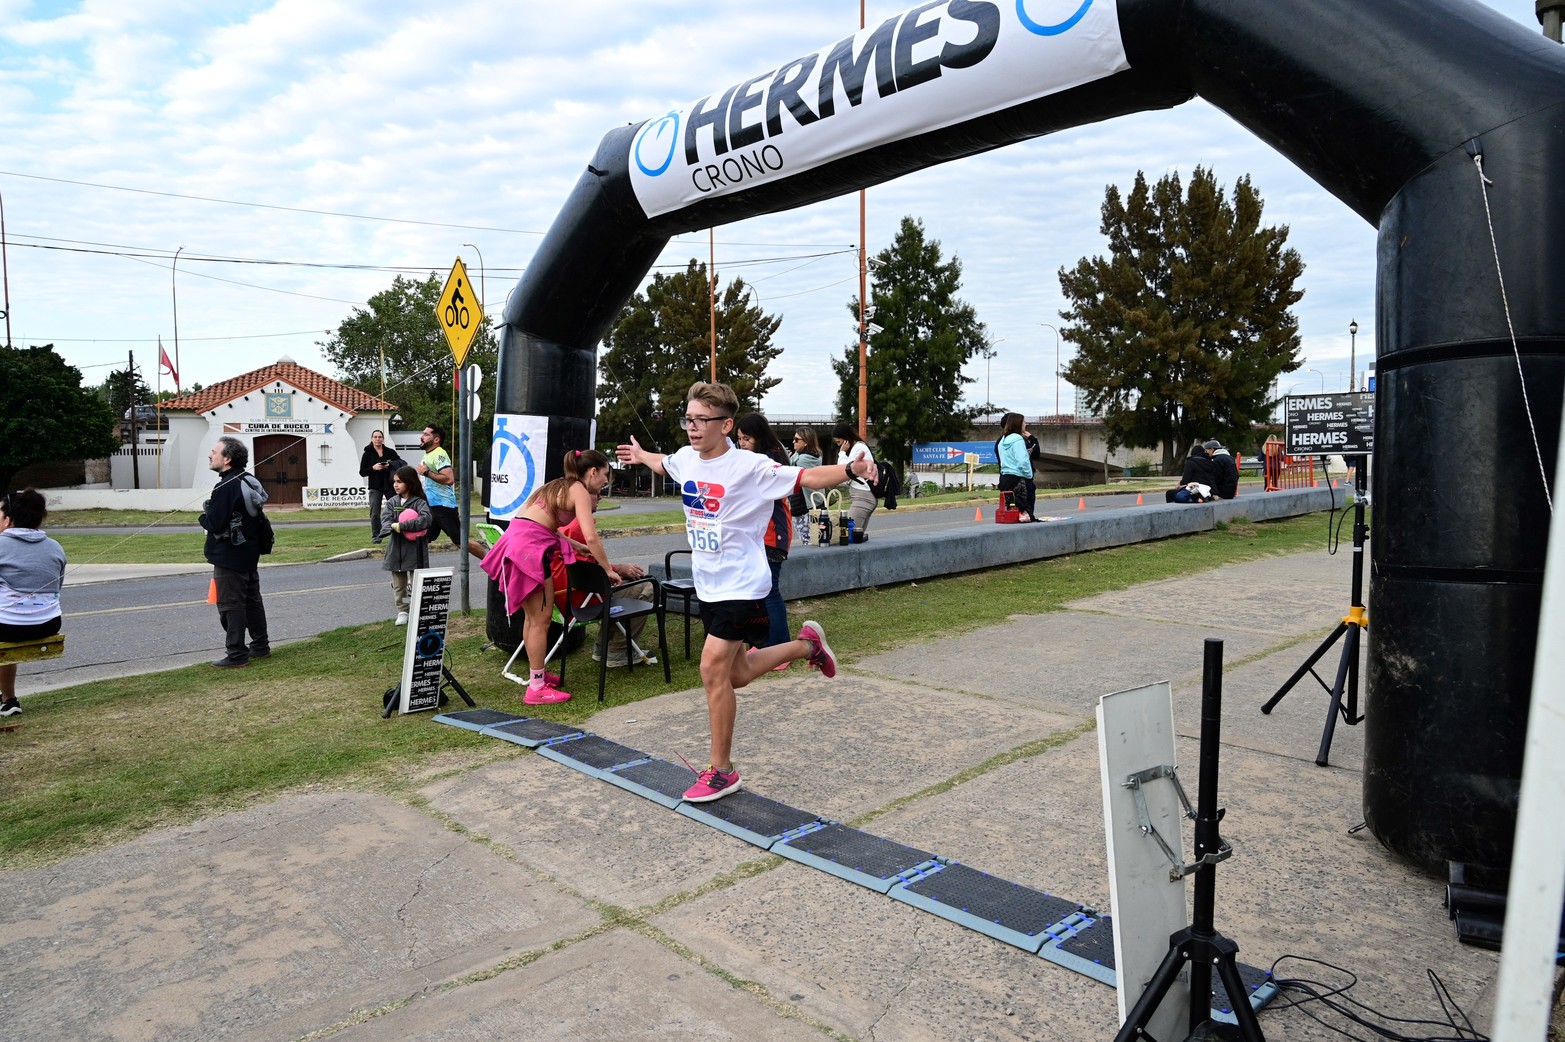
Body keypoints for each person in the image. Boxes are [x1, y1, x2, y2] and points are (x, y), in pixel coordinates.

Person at [616, 381, 878, 803]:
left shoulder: (751, 467)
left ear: (726, 425)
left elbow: (808, 476)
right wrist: (642, 455)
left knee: (711, 669)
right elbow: (665, 464)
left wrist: (851, 471)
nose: (692, 427)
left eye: (702, 420)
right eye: (688, 419)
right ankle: (807, 646)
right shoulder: (686, 458)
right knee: (735, 675)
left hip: (743, 583)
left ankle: (722, 771)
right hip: (710, 584)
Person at [479, 449, 618, 705]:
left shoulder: (556, 486)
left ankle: (538, 676)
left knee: (533, 620)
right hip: (529, 551)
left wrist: (573, 545)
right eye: (605, 474)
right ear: (593, 472)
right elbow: (591, 536)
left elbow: (541, 523)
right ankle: (536, 689)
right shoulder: (579, 490)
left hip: (519, 544)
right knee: (540, 622)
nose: (606, 481)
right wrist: (607, 569)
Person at [550, 488, 650, 667]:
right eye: (596, 492)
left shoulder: (560, 524)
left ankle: (603, 646)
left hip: (559, 598)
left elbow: (584, 564)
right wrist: (618, 569)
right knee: (647, 586)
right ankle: (618, 649)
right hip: (579, 598)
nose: (600, 497)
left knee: (628, 582)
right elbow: (588, 570)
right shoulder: (577, 526)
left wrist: (616, 569)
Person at [200, 436, 271, 668]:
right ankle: (260, 646)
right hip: (249, 552)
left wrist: (202, 517)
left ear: (227, 459)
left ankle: (237, 654)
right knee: (252, 601)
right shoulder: (249, 480)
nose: (210, 455)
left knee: (231, 605)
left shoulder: (226, 486)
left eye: (214, 452)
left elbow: (215, 523)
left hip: (230, 556)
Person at [0, 489, 66, 717]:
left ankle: (8, 698)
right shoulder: (55, 546)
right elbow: (57, 587)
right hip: (48, 623)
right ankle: (8, 701)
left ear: (8, 520)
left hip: (7, 626)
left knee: (6, 627)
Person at [736, 412, 793, 657]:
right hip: (758, 534)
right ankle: (764, 643)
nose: (742, 444)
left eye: (747, 438)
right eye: (739, 439)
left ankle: (779, 648)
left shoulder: (770, 461)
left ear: (759, 437)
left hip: (772, 534)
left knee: (770, 591)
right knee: (759, 591)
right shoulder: (756, 458)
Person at [380, 465, 431, 626]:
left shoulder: (420, 502)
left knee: (417, 582)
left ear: (409, 482)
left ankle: (418, 609)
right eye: (394, 482)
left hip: (415, 549)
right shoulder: (392, 502)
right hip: (396, 549)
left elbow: (425, 520)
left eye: (399, 482)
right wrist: (389, 527)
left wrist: (403, 526)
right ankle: (403, 611)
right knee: (399, 585)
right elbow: (385, 520)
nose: (396, 485)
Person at [416, 423, 462, 549]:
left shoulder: (439, 454)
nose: (422, 437)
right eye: (423, 434)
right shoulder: (428, 454)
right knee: (420, 539)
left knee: (460, 542)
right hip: (431, 505)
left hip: (443, 506)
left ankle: (491, 559)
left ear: (436, 440)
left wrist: (427, 473)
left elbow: (449, 479)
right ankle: (412, 563)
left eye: (426, 434)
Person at [832, 422, 877, 542]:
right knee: (856, 538)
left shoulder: (858, 448)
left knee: (846, 536)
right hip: (863, 497)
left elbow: (843, 471)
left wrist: (842, 452)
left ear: (846, 439)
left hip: (863, 498)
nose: (839, 446)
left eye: (839, 442)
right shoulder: (857, 448)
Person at [359, 430, 403, 544]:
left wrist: (390, 464)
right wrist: (373, 468)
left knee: (397, 509)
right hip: (375, 486)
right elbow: (362, 472)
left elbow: (402, 463)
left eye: (380, 437)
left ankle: (399, 532)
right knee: (375, 513)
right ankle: (377, 536)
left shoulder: (390, 452)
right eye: (375, 437)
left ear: (383, 439)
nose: (378, 439)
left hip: (390, 485)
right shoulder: (367, 454)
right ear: (372, 439)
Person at [996, 412, 1038, 522]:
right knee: (1027, 512)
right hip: (1018, 480)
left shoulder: (1002, 440)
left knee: (1012, 510)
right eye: (1024, 422)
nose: (1025, 424)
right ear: (1018, 424)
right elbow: (1022, 461)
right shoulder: (1018, 439)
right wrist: (1029, 475)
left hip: (1005, 479)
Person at [789, 427, 823, 544]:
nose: (793, 441)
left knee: (808, 541)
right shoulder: (816, 457)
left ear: (806, 442)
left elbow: (789, 473)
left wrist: (788, 458)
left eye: (796, 439)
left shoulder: (801, 460)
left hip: (803, 505)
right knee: (816, 539)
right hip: (816, 502)